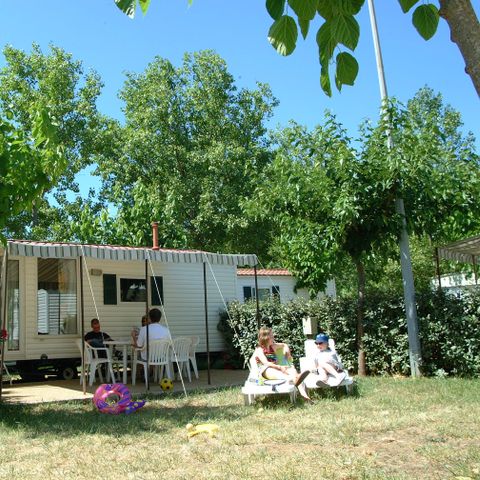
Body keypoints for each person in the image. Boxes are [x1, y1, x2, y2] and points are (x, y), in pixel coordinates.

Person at [253, 326, 311, 401]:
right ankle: (294, 379)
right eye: (271, 336)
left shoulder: (273, 346)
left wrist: (288, 353)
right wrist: (280, 367)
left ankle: (304, 395)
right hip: (265, 371)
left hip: (277, 367)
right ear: (266, 337)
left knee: (292, 370)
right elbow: (266, 363)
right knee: (285, 374)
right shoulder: (259, 349)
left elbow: (284, 345)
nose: (273, 337)